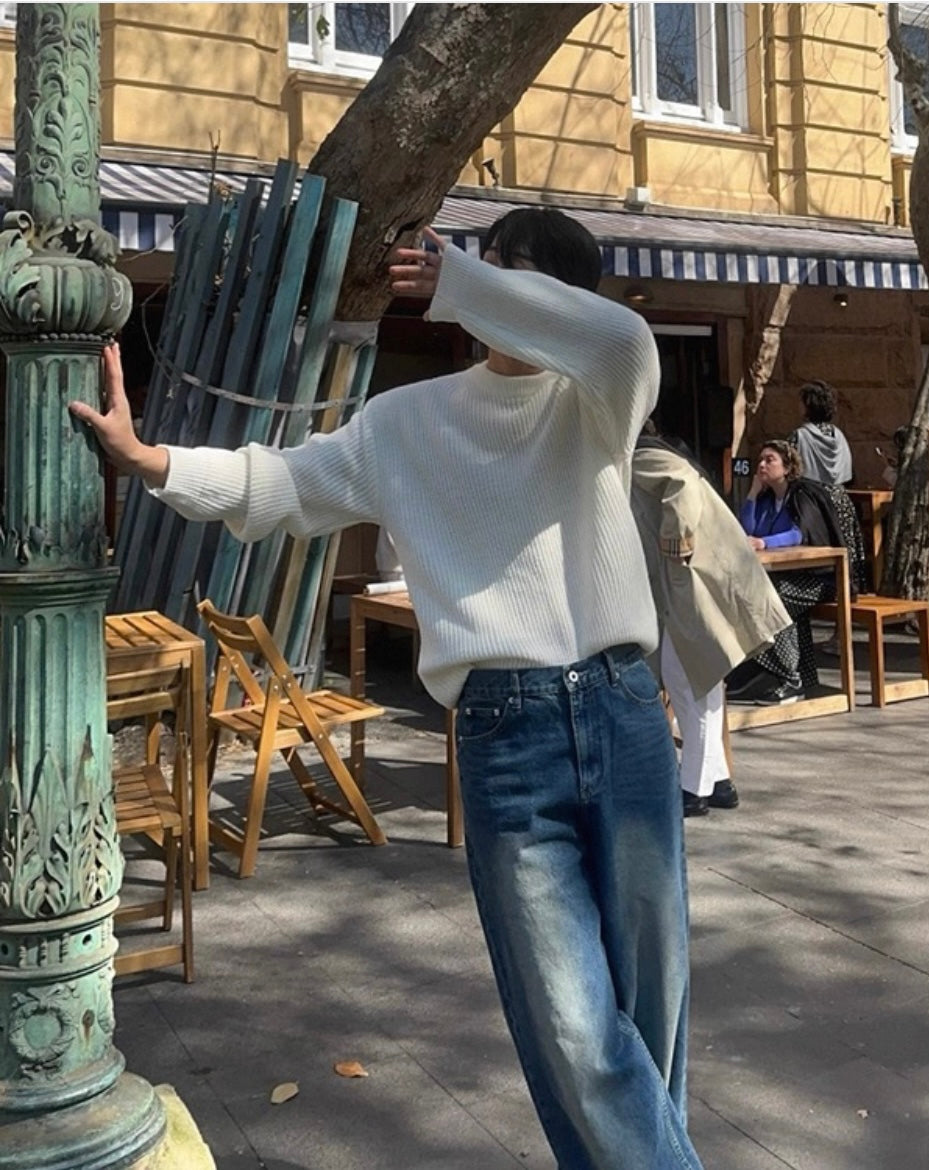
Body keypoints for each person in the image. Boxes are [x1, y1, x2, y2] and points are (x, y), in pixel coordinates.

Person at [71, 209, 706, 1170]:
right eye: (494, 271)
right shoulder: (407, 422)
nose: (498, 292)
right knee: (575, 1028)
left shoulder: (598, 396)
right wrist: (150, 462)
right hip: (507, 735)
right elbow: (281, 485)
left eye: (524, 280)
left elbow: (620, 336)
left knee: (653, 1010)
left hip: (622, 712)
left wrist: (468, 282)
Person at [630, 430, 790, 817]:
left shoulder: (640, 456)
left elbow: (681, 482)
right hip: (697, 579)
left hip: (693, 580)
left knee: (690, 678)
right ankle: (718, 781)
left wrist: (675, 543)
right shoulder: (645, 454)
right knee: (697, 677)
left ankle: (694, 788)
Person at [729, 439, 847, 703]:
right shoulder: (767, 499)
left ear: (787, 466)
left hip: (820, 579)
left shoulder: (803, 495)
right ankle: (783, 675)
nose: (762, 465)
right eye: (760, 460)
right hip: (788, 577)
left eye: (769, 460)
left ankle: (789, 678)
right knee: (755, 594)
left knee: (775, 599)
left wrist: (764, 543)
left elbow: (799, 534)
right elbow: (748, 530)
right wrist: (752, 494)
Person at [791, 379, 853, 486]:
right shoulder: (839, 435)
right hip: (838, 495)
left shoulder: (800, 436)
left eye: (801, 402)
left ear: (808, 405)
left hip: (810, 494)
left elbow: (787, 469)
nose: (798, 406)